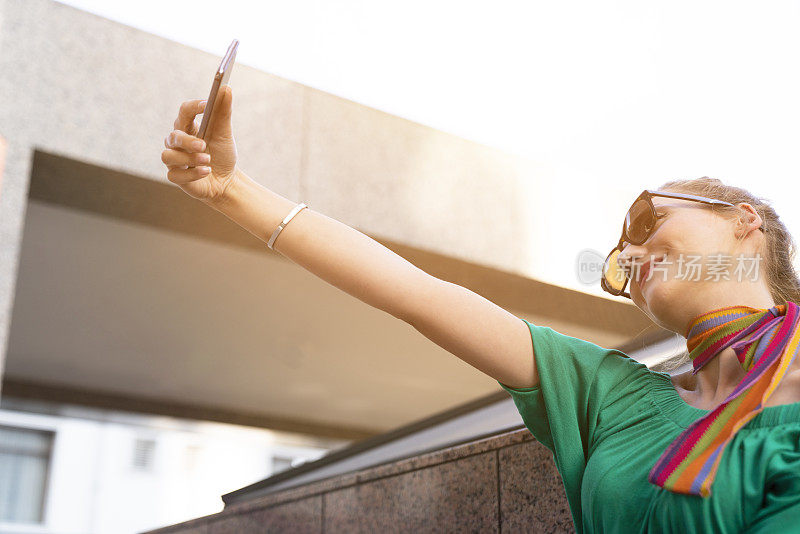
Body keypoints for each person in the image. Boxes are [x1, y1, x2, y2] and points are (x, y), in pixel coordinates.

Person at [161, 86, 800, 533]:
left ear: (747, 221)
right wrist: (231, 193)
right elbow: (416, 294)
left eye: (642, 219)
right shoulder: (614, 397)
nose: (629, 254)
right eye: (615, 261)